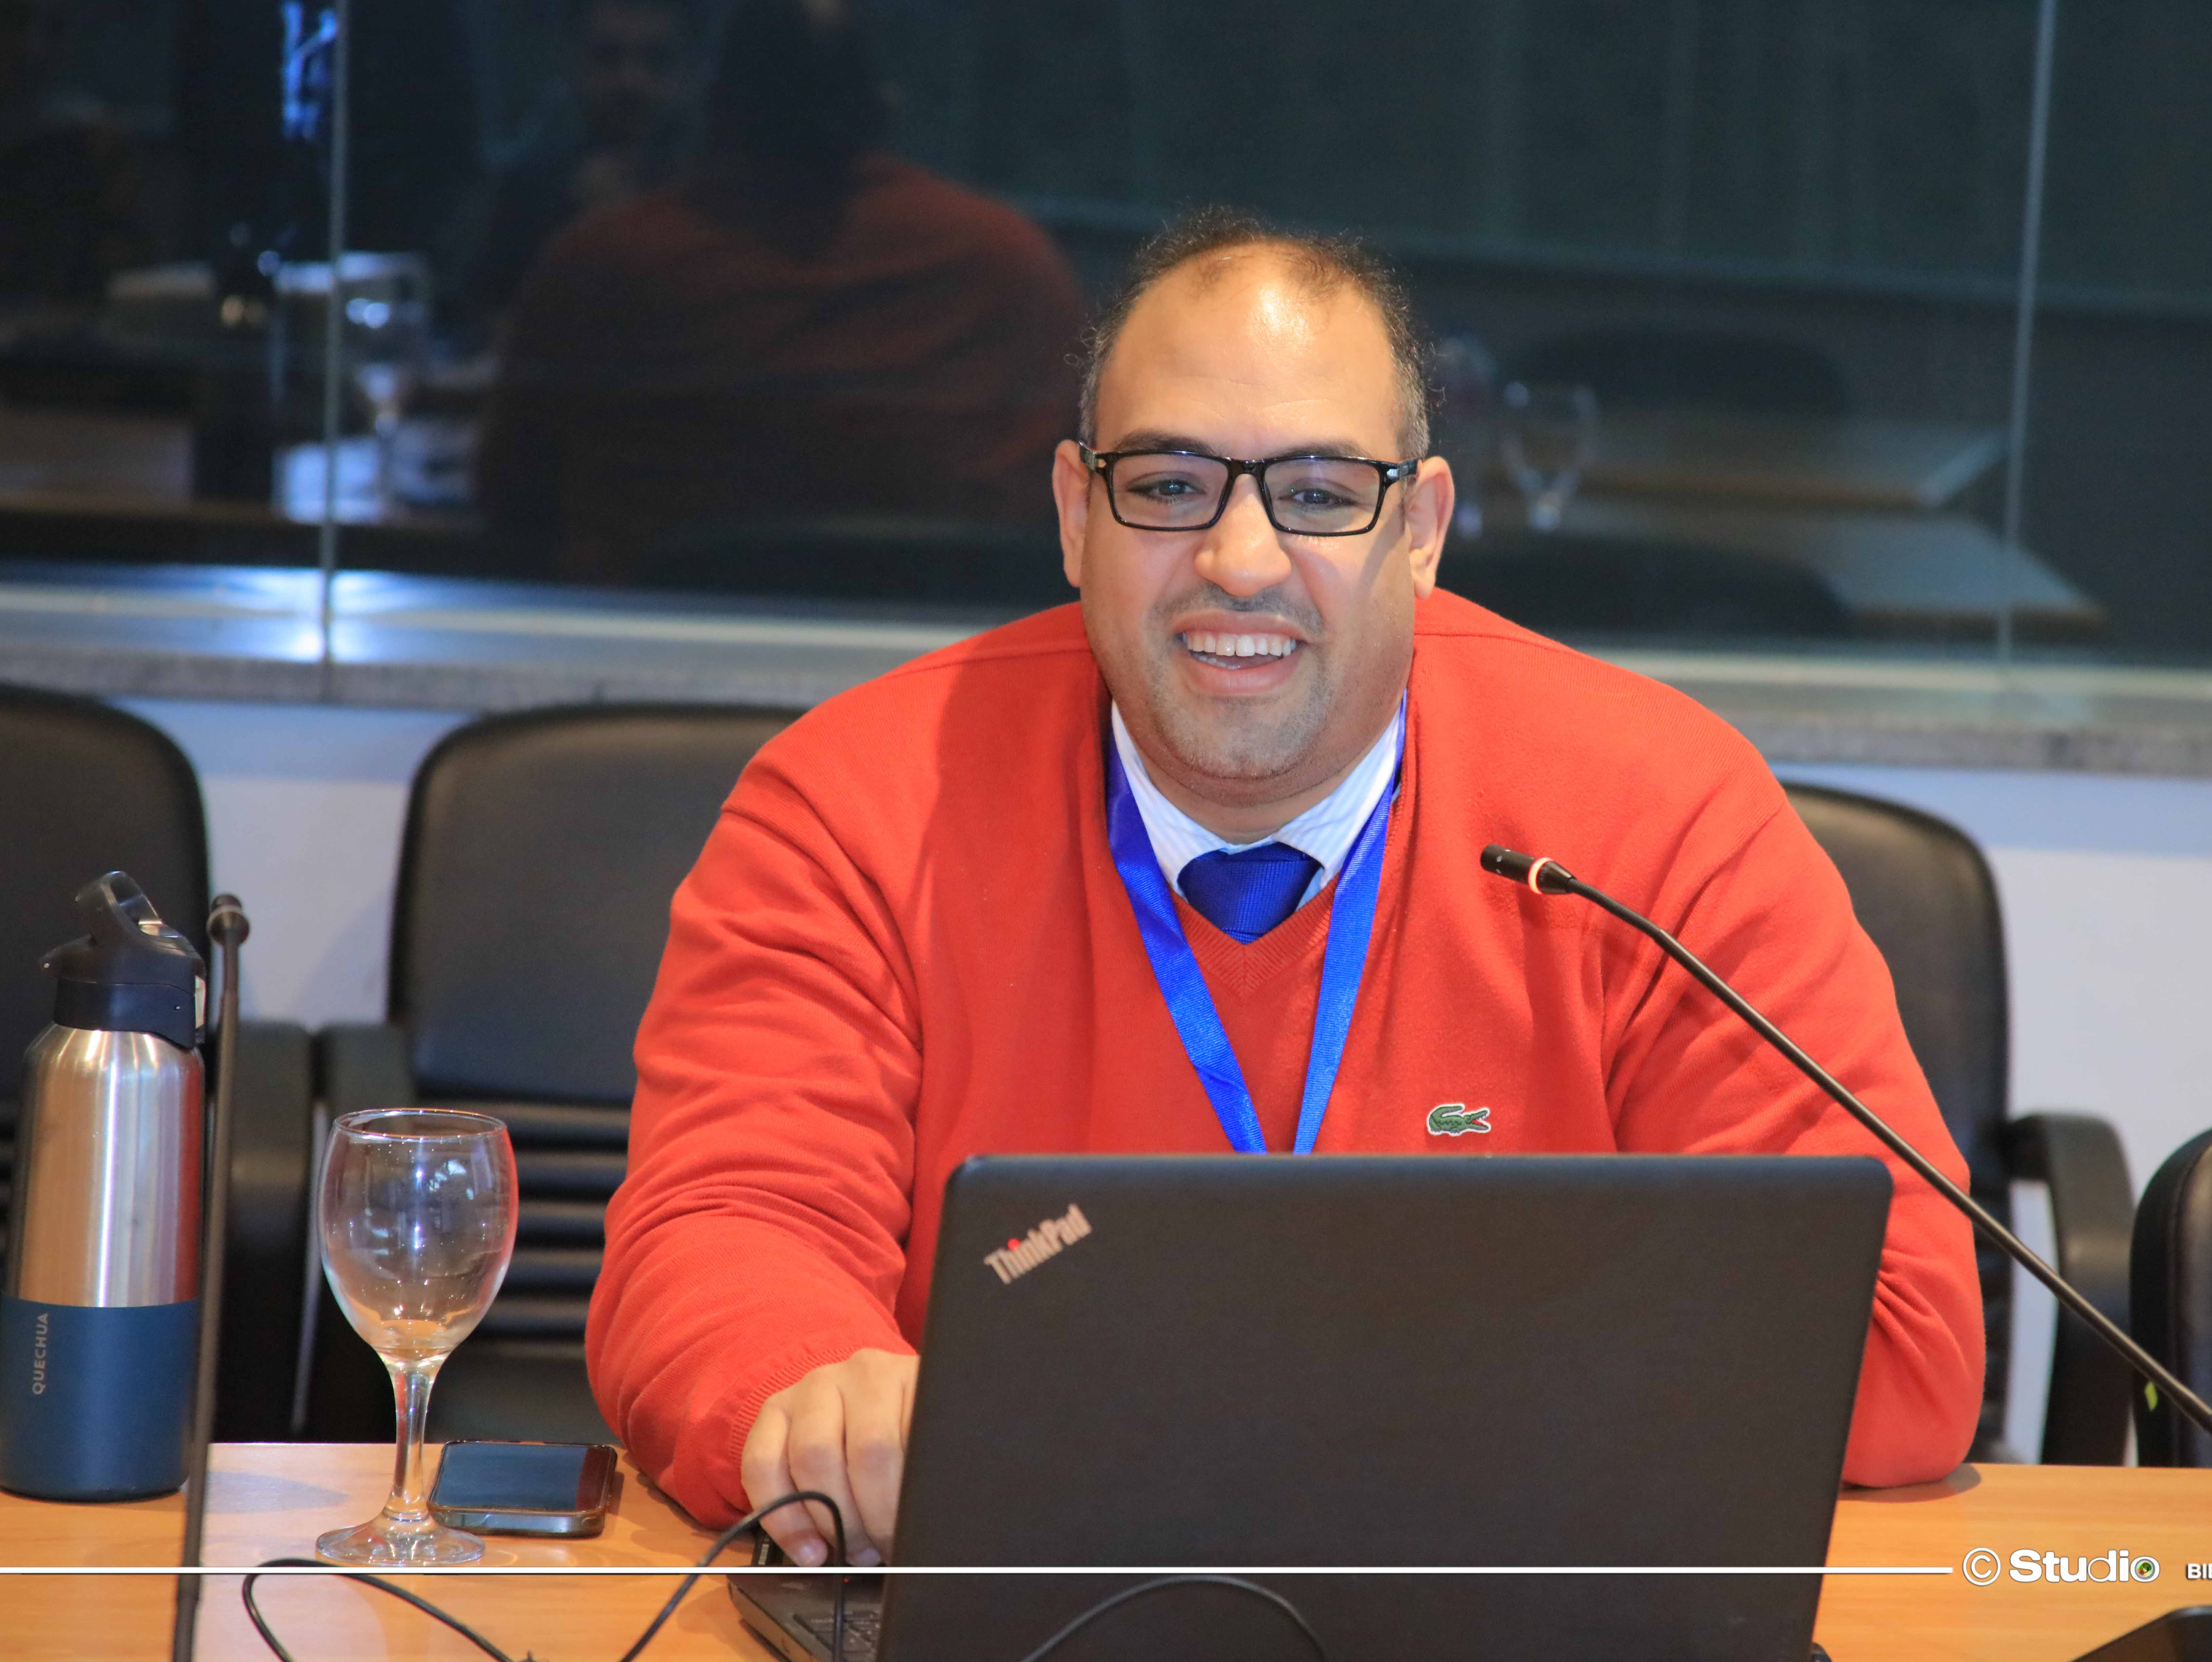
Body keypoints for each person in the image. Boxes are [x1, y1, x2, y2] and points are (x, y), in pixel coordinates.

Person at [589, 210, 1985, 1564]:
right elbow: (727, 1235)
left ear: (1421, 528)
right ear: (1075, 513)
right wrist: (818, 1398)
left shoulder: (1655, 814)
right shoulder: (852, 805)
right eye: (1167, 486)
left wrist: (1335, 1407)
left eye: (1318, 493)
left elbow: (1898, 1335)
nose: (1240, 561)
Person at [472, 0, 1085, 582]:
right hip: (941, 638)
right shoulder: (1009, 260)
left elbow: (511, 498)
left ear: (715, 106)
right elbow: (1081, 495)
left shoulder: (601, 262)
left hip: (650, 634)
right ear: (882, 106)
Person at [453, 0, 704, 328]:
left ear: (692, 72)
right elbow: (486, 318)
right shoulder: (529, 193)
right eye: (607, 57)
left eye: (658, 60)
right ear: (573, 61)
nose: (631, 81)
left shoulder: (726, 195)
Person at [0, 0, 150, 303]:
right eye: (13, 19)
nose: (32, 47)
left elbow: (122, 280)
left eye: (54, 25)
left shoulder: (92, 147)